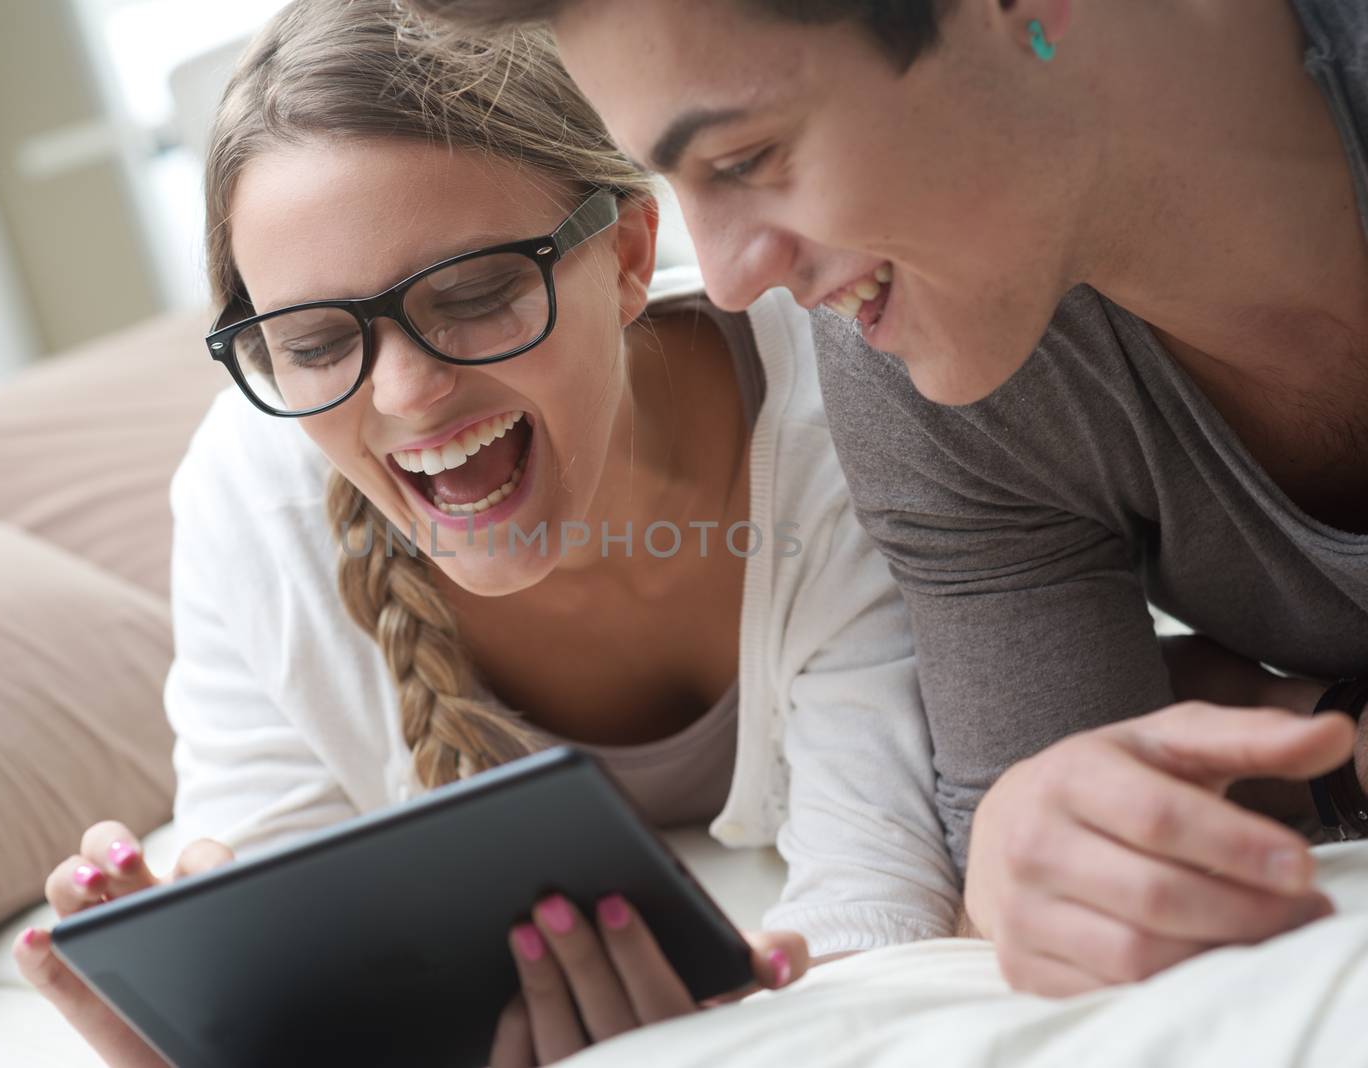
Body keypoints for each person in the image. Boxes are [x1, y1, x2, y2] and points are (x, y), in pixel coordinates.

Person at [10, 2, 962, 1064]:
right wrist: (226, 1031)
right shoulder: (254, 500)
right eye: (317, 342)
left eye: (472, 294)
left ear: (629, 253)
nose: (411, 393)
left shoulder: (843, 408)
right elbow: (291, 914)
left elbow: (879, 920)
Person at [407, 0, 1368, 996]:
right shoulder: (925, 367)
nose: (731, 283)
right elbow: (1069, 852)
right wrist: (1026, 838)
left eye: (745, 156)